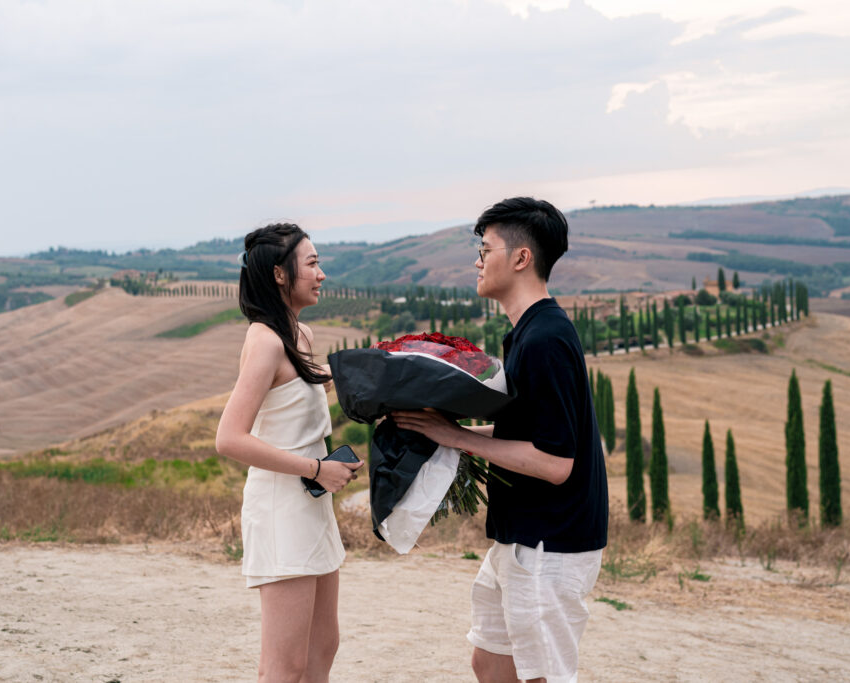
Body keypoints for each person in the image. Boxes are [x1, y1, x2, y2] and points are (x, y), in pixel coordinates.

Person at [393, 197, 608, 683]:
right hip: (522, 537)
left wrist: (454, 436)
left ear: (520, 258)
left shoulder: (544, 340)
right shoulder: (529, 332)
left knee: (541, 676)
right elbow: (527, 435)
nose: (477, 260)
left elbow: (555, 462)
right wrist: (451, 433)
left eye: (485, 248)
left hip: (549, 543)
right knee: (489, 663)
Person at [216, 223, 363, 683]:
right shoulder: (265, 340)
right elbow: (229, 438)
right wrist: (317, 468)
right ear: (281, 274)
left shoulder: (300, 333)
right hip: (282, 508)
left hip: (311, 505)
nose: (322, 274)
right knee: (284, 667)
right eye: (313, 263)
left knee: (324, 645)